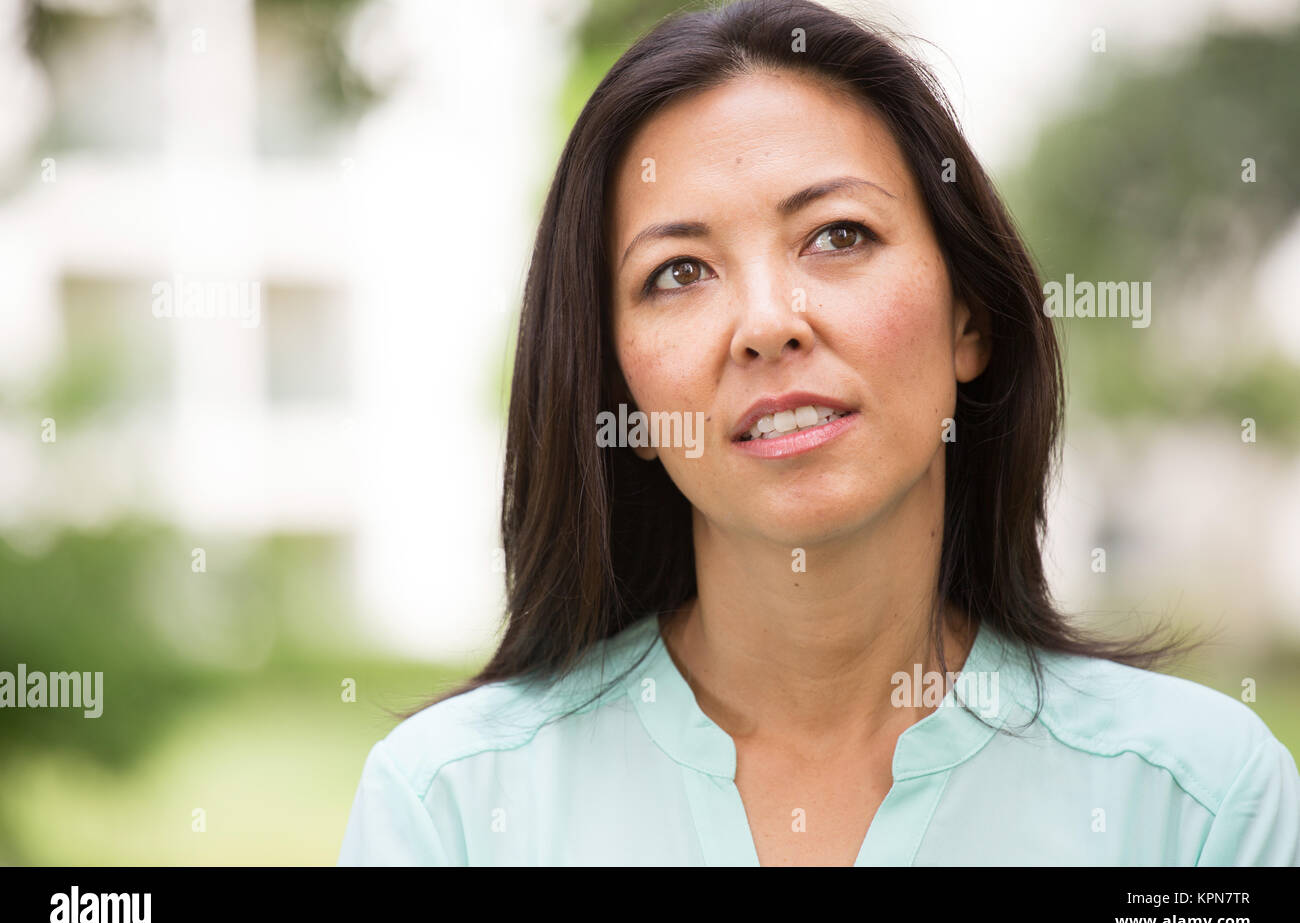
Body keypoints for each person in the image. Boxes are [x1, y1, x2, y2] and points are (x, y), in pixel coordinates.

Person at [338, 0, 1299, 866]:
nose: (767, 322)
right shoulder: (453, 810)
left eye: (837, 235)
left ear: (970, 318)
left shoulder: (1197, 806)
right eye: (678, 271)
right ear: (619, 392)